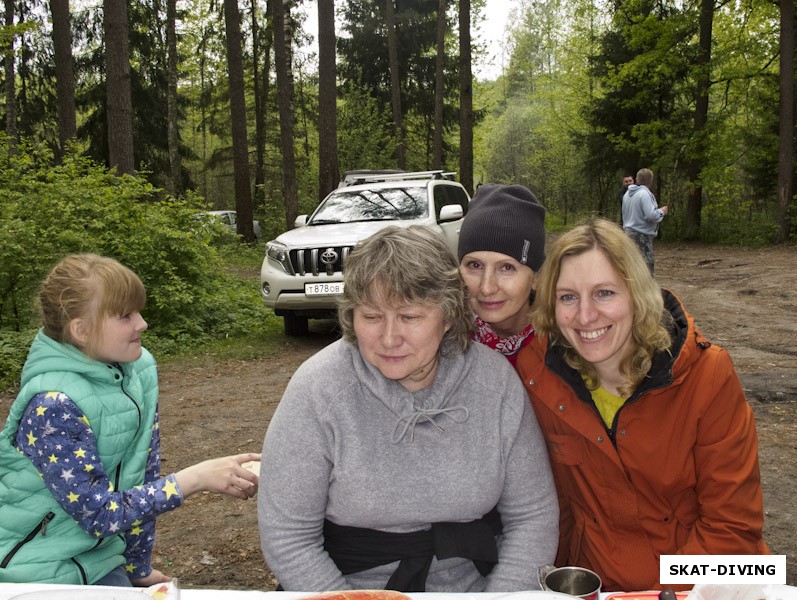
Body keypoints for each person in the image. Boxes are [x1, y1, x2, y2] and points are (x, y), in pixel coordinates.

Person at [258, 225, 558, 592]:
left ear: (447, 317)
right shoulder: (318, 390)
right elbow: (288, 538)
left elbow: (533, 517)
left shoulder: (494, 383)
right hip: (348, 590)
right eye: (371, 316)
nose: (388, 338)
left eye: (410, 317)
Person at [516, 219, 769, 592]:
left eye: (604, 293)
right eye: (568, 297)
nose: (585, 316)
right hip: (598, 583)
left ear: (637, 294)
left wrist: (656, 595)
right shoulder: (538, 374)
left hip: (708, 583)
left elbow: (733, 528)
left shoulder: (707, 376)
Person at [0, 254, 260, 586]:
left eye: (138, 311)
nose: (142, 323)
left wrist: (137, 566)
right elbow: (99, 513)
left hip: (100, 558)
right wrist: (193, 480)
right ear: (81, 330)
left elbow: (140, 472)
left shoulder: (138, 371)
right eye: (126, 316)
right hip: (34, 570)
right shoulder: (53, 403)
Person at [457, 183, 546, 366]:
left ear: (537, 278)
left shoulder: (566, 347)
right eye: (475, 265)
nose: (487, 288)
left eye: (507, 268)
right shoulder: (445, 342)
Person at [621, 168, 668, 274]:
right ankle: (647, 290)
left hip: (628, 233)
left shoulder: (627, 195)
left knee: (632, 266)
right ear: (651, 181)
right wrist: (662, 211)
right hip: (642, 235)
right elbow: (651, 215)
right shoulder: (645, 194)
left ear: (637, 179)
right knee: (646, 268)